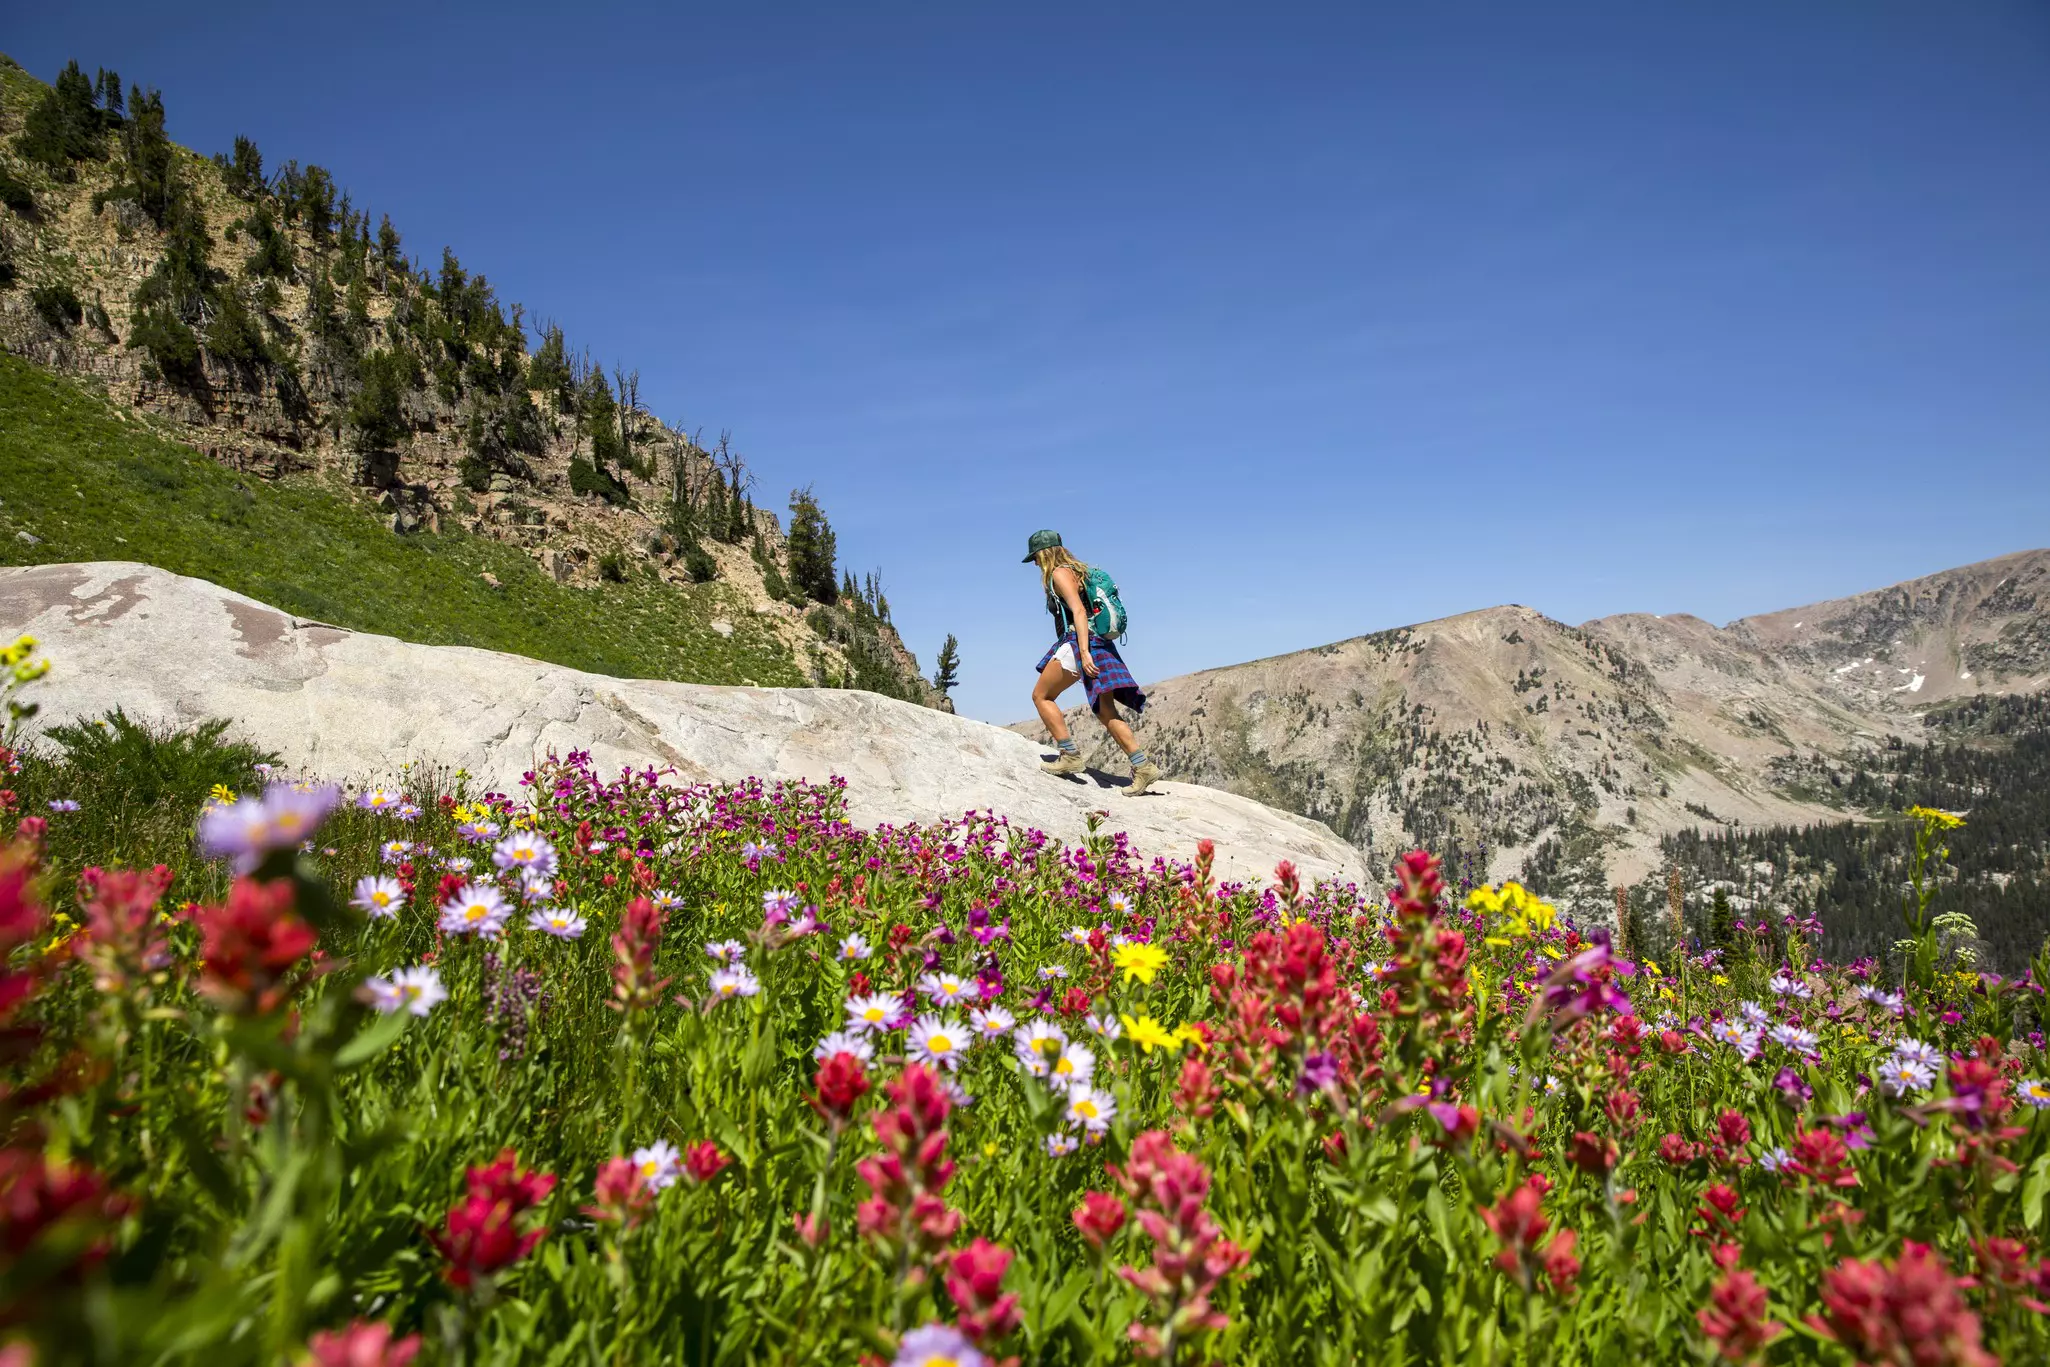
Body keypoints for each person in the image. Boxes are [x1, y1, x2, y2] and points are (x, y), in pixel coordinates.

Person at [1022, 529, 1161, 796]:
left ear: (1043, 553)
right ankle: (1142, 766)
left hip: (1079, 644)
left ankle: (1069, 754)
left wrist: (1083, 652)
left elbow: (1078, 611)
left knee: (1041, 696)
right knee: (1105, 710)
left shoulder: (1058, 574)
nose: (1036, 564)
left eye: (1036, 558)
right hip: (1099, 643)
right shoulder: (1079, 572)